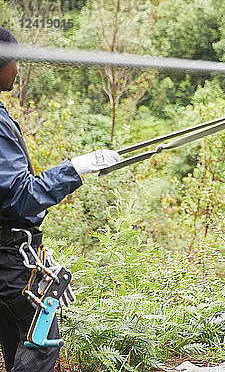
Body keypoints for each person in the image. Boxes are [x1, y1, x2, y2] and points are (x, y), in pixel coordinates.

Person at [0, 27, 121, 372]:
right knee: (40, 345)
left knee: (17, 349)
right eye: (15, 61)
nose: (18, 69)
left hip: (10, 261)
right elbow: (19, 197)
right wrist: (75, 168)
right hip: (10, 264)